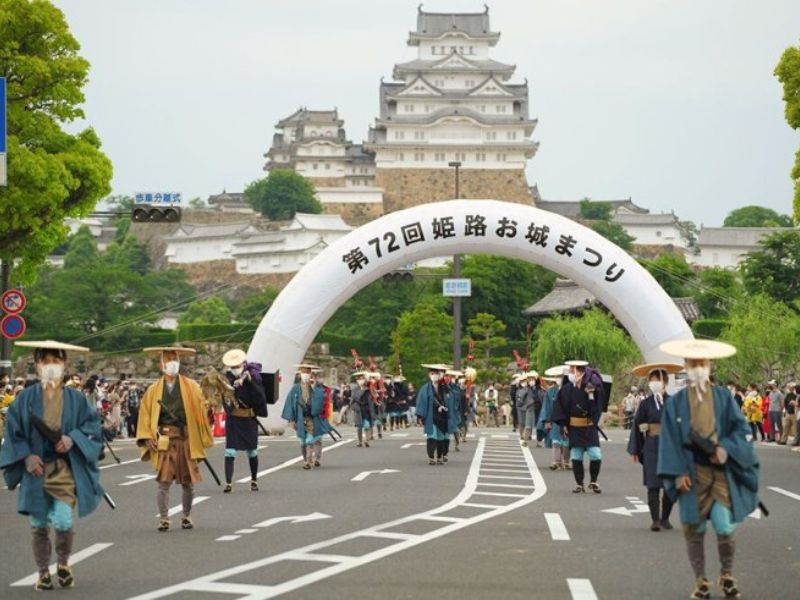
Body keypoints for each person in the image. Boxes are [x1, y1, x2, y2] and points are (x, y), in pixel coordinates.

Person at [657, 339, 760, 600]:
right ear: (686, 366)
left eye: (702, 363)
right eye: (693, 363)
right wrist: (677, 473)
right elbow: (669, 441)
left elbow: (742, 430)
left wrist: (725, 448)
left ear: (709, 365)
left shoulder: (725, 398)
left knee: (724, 524)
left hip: (720, 472)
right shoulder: (676, 403)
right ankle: (701, 580)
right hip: (691, 472)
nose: (698, 367)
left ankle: (727, 574)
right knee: (695, 528)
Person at [0, 340, 104, 591]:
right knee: (38, 524)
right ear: (36, 365)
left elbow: (92, 427)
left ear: (64, 364)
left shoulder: (77, 399)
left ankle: (64, 563)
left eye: (55, 362)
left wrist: (72, 439)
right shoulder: (24, 399)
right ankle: (43, 572)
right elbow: (13, 433)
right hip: (35, 469)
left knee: (63, 519)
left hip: (63, 469)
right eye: (45, 362)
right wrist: (26, 457)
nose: (50, 366)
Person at [136, 346, 214, 532]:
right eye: (168, 359)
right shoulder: (153, 390)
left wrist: (210, 404)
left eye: (175, 359)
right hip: (165, 439)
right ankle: (164, 518)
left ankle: (186, 516)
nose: (172, 362)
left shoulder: (192, 386)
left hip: (186, 437)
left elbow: (203, 406)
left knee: (188, 481)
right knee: (163, 482)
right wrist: (148, 437)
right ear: (161, 364)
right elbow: (145, 414)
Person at [627, 362, 682, 532]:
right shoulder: (645, 404)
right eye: (651, 380)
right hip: (651, 445)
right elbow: (638, 425)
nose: (654, 383)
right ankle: (655, 520)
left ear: (664, 382)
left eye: (657, 379)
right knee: (653, 484)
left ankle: (665, 517)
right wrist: (636, 450)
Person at [551, 360, 606, 494]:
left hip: (589, 426)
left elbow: (599, 404)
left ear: (579, 372)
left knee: (595, 454)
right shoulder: (566, 389)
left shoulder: (591, 387)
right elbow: (560, 407)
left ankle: (593, 481)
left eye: (572, 370)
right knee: (576, 456)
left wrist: (592, 394)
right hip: (574, 427)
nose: (570, 373)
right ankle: (579, 484)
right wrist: (563, 424)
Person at [220, 349, 267, 493]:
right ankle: (228, 483)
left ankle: (254, 480)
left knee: (252, 451)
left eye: (237, 366)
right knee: (230, 452)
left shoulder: (253, 376)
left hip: (248, 419)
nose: (235, 369)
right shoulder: (226, 379)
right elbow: (224, 399)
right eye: (232, 367)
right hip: (233, 420)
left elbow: (260, 397)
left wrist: (249, 382)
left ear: (243, 363)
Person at [282, 363, 331, 469]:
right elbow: (290, 404)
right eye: (303, 372)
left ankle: (309, 461)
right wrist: (291, 420)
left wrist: (314, 388)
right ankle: (305, 459)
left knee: (310, 440)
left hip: (313, 418)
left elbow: (320, 402)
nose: (305, 374)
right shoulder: (295, 388)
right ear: (300, 373)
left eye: (307, 372)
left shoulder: (317, 388)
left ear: (311, 373)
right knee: (303, 441)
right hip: (300, 418)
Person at [415, 363, 459, 465]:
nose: (434, 375)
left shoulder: (445, 388)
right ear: (429, 375)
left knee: (441, 438)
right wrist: (420, 416)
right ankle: (431, 457)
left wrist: (451, 385)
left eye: (436, 373)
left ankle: (440, 456)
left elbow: (454, 398)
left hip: (443, 416)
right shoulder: (425, 388)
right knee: (432, 436)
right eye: (432, 373)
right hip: (431, 416)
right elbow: (421, 401)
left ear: (440, 375)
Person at [537, 366, 570, 471]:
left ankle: (566, 462)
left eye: (561, 376)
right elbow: (546, 407)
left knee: (566, 443)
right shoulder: (550, 392)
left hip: (567, 421)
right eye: (558, 376)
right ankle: (556, 462)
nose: (559, 378)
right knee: (556, 442)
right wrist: (547, 420)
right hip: (554, 420)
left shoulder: (570, 390)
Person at [350, 371, 375, 447]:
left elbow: (371, 399)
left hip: (366, 410)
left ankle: (366, 440)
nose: (361, 380)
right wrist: (355, 408)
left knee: (367, 426)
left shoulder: (369, 389)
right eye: (359, 378)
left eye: (362, 378)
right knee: (359, 427)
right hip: (359, 410)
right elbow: (353, 400)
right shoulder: (355, 389)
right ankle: (360, 441)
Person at [515, 371, 538, 447]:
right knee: (522, 423)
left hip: (529, 407)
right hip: (523, 407)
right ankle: (523, 437)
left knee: (528, 424)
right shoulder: (521, 389)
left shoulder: (533, 388)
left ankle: (525, 439)